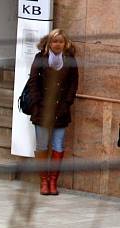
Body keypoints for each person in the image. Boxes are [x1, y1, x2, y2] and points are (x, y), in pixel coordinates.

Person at [28, 28, 78, 196]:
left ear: (65, 44)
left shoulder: (70, 59)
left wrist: (67, 103)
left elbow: (73, 85)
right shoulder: (40, 58)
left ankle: (52, 182)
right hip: (42, 109)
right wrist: (38, 103)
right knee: (42, 146)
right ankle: (43, 181)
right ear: (49, 43)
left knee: (58, 145)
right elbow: (33, 82)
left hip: (61, 110)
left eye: (60, 41)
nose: (57, 44)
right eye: (54, 41)